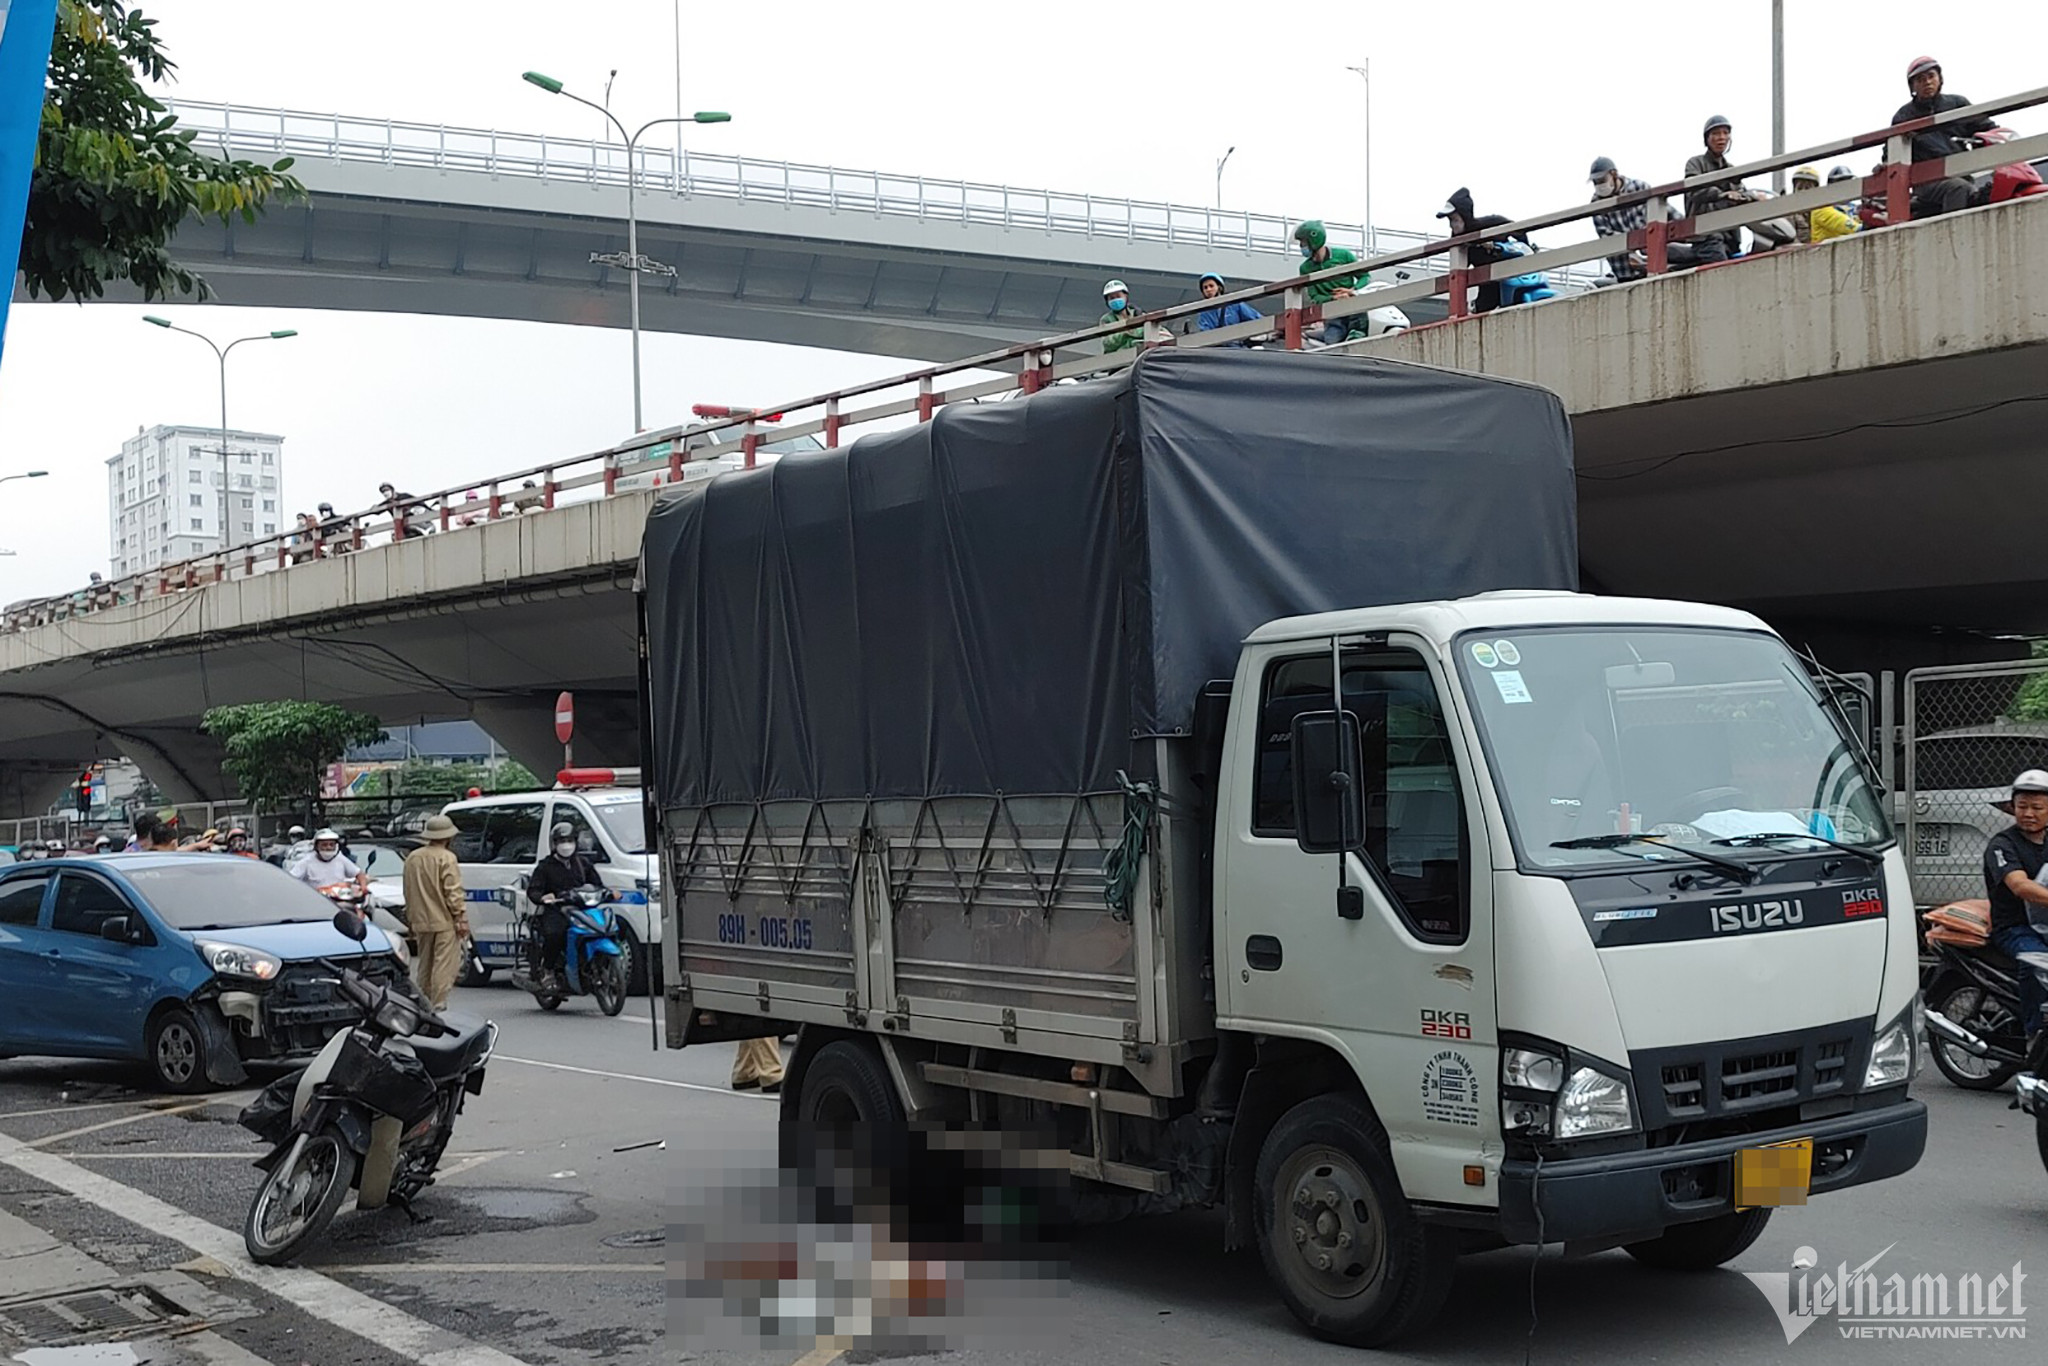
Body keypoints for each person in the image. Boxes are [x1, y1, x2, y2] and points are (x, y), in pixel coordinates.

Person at [1983, 771, 2048, 1044]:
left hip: (2044, 924)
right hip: (2014, 927)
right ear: (2012, 807)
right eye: (2022, 806)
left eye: (2037, 807)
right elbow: (2020, 886)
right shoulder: (2002, 845)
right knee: (2037, 963)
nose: (2029, 813)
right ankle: (2035, 1034)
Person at [1892, 57, 1995, 220]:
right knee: (1958, 188)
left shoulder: (1957, 103)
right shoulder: (1903, 116)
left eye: (1931, 76)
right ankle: (1951, 240)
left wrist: (1992, 138)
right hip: (1927, 181)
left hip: (1962, 174)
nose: (1927, 82)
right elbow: (1891, 152)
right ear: (1912, 86)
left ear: (1940, 78)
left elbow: (1986, 127)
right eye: (1920, 79)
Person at [1684, 116, 1796, 263]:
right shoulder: (1696, 163)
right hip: (1707, 236)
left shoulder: (1731, 169)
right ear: (1707, 138)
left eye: (1725, 133)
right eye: (1716, 133)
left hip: (1730, 237)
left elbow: (1740, 191)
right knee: (1722, 271)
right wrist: (1722, 195)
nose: (1721, 137)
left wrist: (1753, 197)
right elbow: (1695, 190)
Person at [402, 814, 469, 1010]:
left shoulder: (412, 858)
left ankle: (422, 1002)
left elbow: (407, 890)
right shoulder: (447, 858)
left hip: (420, 920)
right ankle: (438, 1005)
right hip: (444, 920)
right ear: (448, 837)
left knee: (425, 963)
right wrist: (461, 917)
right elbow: (453, 892)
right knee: (444, 965)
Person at [526, 821, 605, 981]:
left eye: (570, 841)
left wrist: (609, 892)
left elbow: (597, 884)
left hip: (582, 909)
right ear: (554, 844)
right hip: (557, 911)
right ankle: (548, 970)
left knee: (604, 927)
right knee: (555, 934)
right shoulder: (545, 866)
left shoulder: (583, 863)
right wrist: (544, 897)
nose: (566, 846)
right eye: (562, 842)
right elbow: (533, 890)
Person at [1434, 190, 1526, 314]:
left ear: (1465, 217)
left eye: (1455, 220)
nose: (1452, 225)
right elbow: (1460, 269)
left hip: (1511, 278)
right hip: (1487, 285)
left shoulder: (1491, 223)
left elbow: (1519, 232)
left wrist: (1527, 248)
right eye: (1450, 221)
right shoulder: (1457, 242)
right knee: (1483, 310)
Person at [1290, 221, 1368, 344]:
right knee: (1332, 345)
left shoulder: (1344, 255)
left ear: (1314, 240)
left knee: (1358, 339)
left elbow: (1365, 277)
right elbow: (1314, 297)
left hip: (1354, 308)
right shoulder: (1305, 268)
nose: (1301, 246)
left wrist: (1353, 291)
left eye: (1303, 242)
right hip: (1332, 316)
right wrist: (1333, 298)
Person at [1192, 272, 1263, 344]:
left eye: (1211, 286)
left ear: (1219, 287)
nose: (1208, 289)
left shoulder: (1234, 304)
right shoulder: (1204, 313)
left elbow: (1257, 319)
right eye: (1205, 287)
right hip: (1216, 350)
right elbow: (1205, 335)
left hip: (1238, 349)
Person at [1796, 166, 1861, 244]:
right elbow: (1848, 226)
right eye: (1800, 188)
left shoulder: (1854, 209)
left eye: (1808, 188)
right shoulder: (1821, 209)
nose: (1804, 192)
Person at [291, 827, 369, 890]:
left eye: (331, 845)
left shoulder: (340, 859)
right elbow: (290, 880)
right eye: (324, 845)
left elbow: (359, 874)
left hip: (338, 901)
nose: (328, 847)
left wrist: (363, 887)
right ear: (316, 846)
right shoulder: (306, 862)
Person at [1098, 280, 1145, 354]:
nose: (1115, 300)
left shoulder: (1138, 313)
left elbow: (1154, 329)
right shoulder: (1106, 319)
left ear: (1126, 296)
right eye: (1112, 298)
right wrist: (1127, 332)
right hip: (1119, 357)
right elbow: (1108, 343)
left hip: (1140, 352)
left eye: (1118, 296)